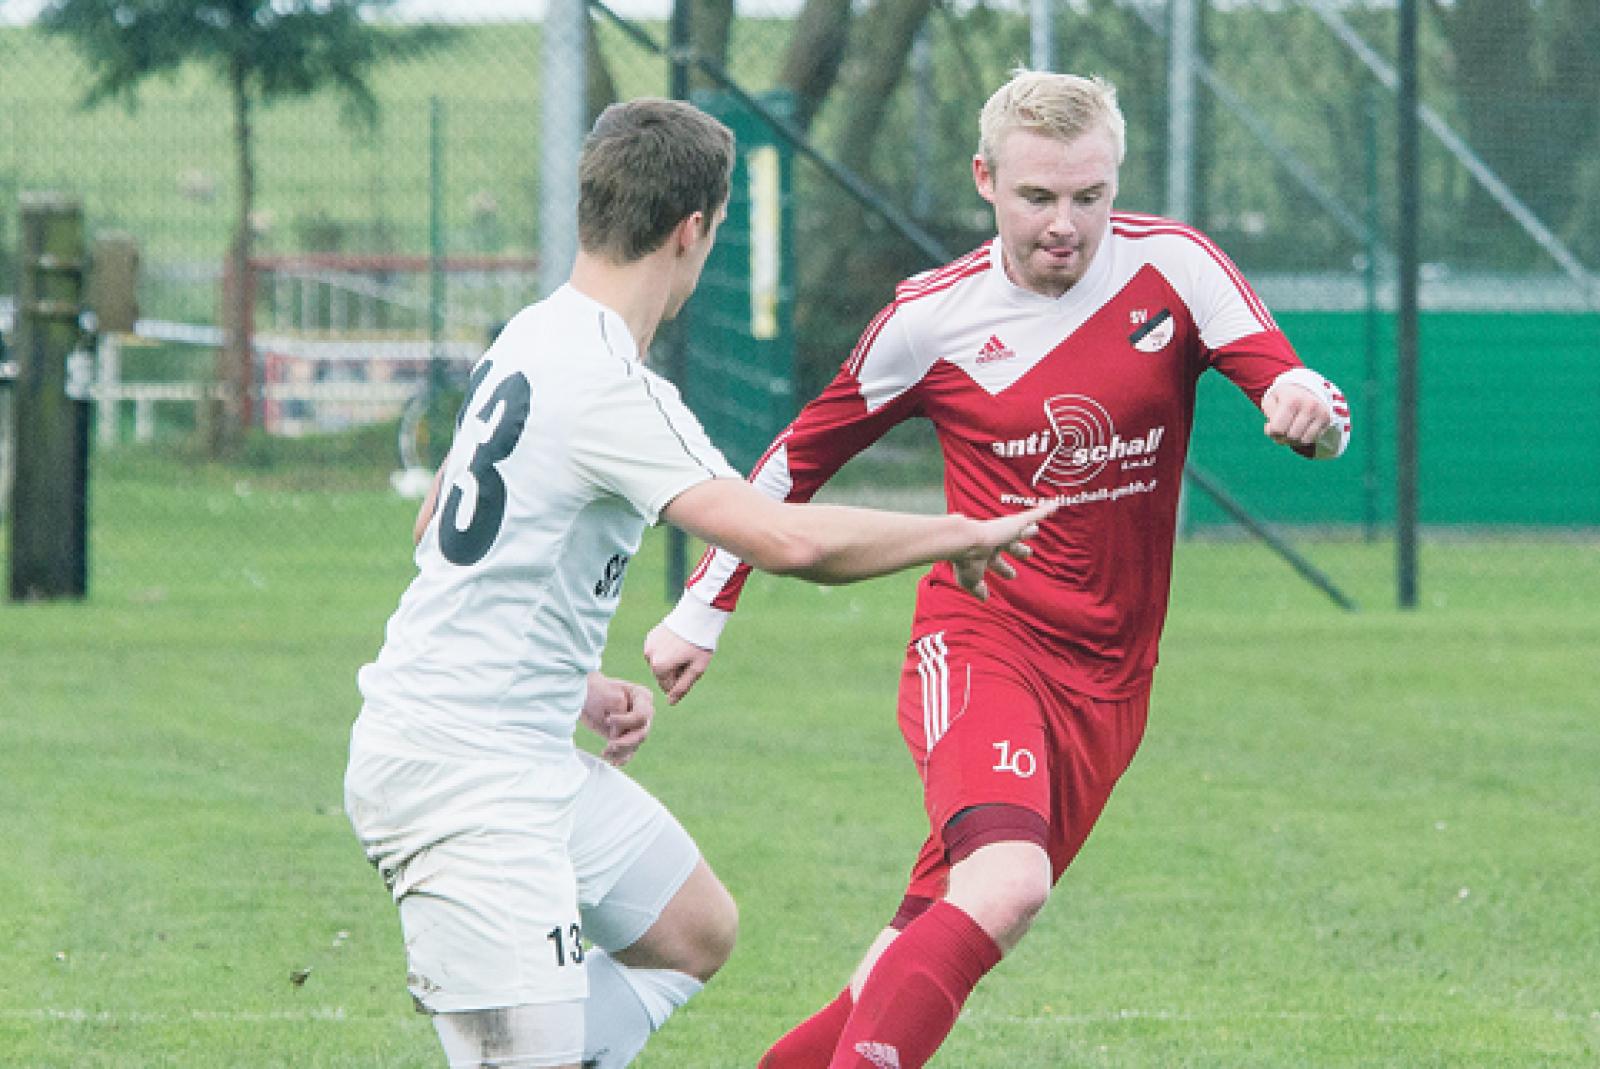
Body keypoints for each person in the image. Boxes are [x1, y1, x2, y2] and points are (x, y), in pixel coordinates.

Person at [643, 70, 1353, 1069]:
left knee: (912, 949)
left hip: (1112, 682)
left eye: (1089, 196)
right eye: (1037, 196)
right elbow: (791, 462)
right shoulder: (931, 319)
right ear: (985, 179)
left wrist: (1311, 414)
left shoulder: (1175, 267)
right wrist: (703, 608)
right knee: (1010, 883)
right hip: (982, 644)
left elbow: (1301, 389)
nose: (1065, 224)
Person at [344, 97, 1052, 1069]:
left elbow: (444, 521)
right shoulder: (609, 384)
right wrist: (955, 532)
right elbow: (784, 539)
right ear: (693, 230)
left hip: (511, 746)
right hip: (462, 778)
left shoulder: (532, 334)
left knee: (692, 929)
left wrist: (569, 679)